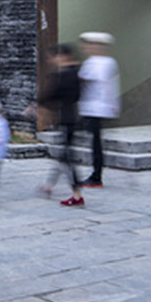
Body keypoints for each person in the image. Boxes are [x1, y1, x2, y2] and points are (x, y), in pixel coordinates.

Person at [37, 44, 85, 206]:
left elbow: (50, 94)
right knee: (62, 154)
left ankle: (77, 194)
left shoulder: (63, 75)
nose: (52, 61)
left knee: (65, 158)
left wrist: (39, 106)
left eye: (54, 57)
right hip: (72, 117)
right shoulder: (75, 74)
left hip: (66, 119)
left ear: (63, 57)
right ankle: (49, 185)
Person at [78, 31, 120, 189]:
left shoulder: (102, 62)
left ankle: (96, 176)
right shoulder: (96, 62)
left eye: (90, 44)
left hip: (97, 107)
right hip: (92, 107)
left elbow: (87, 80)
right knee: (94, 142)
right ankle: (95, 174)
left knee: (96, 143)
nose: (88, 47)